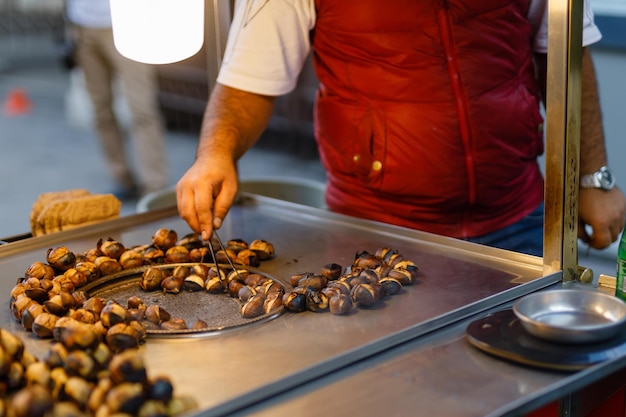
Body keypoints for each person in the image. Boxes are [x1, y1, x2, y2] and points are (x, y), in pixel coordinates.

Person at [176, 0, 626, 257]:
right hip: (377, 232)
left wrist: (593, 178)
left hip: (518, 219)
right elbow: (249, 79)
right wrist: (216, 153)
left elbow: (566, 54)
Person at [66, 0, 169, 199]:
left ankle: (155, 184)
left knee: (142, 110)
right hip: (82, 26)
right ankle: (122, 178)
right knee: (101, 110)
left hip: (129, 24)